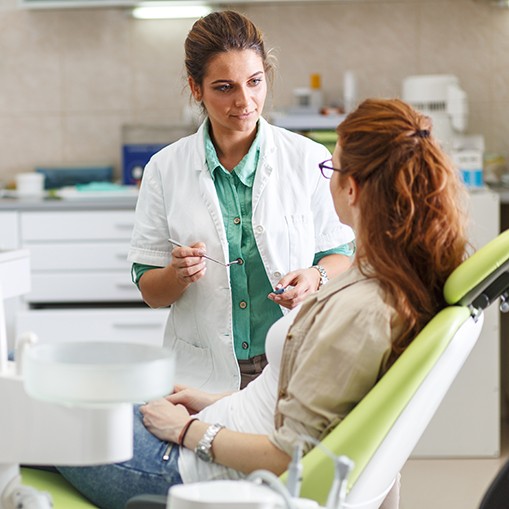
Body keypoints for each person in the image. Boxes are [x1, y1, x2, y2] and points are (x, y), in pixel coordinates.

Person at [58, 98, 469, 509]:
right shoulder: (381, 281)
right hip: (213, 424)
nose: (326, 178)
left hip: (193, 467)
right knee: (69, 381)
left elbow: (288, 456)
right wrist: (211, 403)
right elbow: (298, 409)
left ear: (352, 187)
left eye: (332, 168)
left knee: (30, 406)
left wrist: (184, 431)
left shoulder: (362, 311)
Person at [127, 10, 355, 392]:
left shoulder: (307, 158)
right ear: (195, 88)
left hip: (292, 362)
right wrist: (177, 275)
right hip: (201, 371)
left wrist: (316, 276)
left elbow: (341, 256)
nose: (245, 101)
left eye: (254, 82)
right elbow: (151, 291)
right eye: (224, 87)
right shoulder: (164, 168)